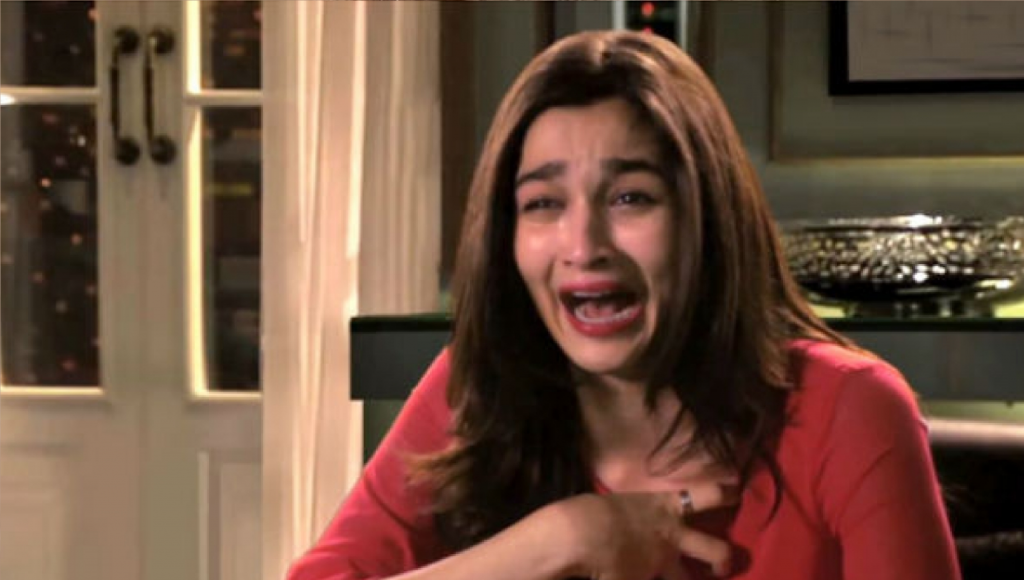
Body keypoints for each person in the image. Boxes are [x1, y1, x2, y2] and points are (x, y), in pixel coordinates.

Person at [288, 30, 960, 580]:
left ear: (706, 218)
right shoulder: (476, 389)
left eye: (630, 197)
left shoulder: (852, 409)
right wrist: (559, 541)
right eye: (543, 204)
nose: (584, 246)